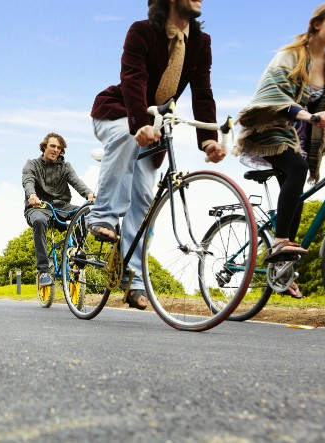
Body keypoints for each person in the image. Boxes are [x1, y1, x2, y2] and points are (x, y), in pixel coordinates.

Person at [85, 0, 226, 310]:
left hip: (153, 125)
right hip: (118, 112)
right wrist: (139, 124)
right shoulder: (142, 31)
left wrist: (208, 141)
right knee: (124, 135)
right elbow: (133, 79)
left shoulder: (201, 43)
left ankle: (133, 279)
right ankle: (101, 215)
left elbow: (203, 92)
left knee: (144, 199)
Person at [235, 2, 325, 299]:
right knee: (297, 169)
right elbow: (271, 95)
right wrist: (308, 116)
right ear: (317, 24)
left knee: (295, 194)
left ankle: (282, 271)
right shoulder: (290, 55)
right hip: (271, 128)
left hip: (300, 138)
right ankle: (281, 243)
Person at [22, 133, 94, 287]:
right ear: (44, 146)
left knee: (85, 212)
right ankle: (43, 270)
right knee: (40, 220)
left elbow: (76, 181)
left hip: (62, 207)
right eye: (52, 146)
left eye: (59, 148)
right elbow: (28, 181)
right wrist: (32, 195)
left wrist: (89, 194)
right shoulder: (32, 165)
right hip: (38, 206)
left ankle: (74, 252)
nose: (55, 150)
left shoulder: (65, 167)